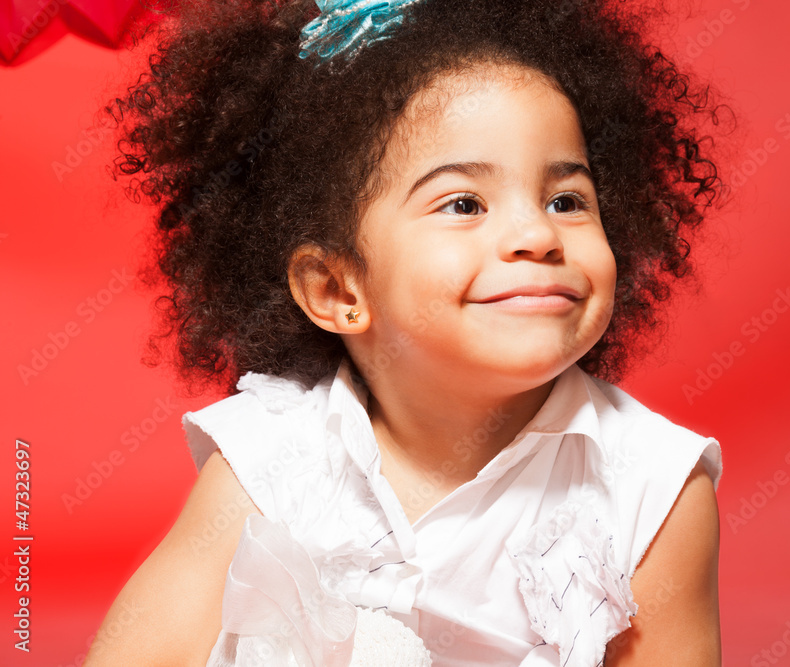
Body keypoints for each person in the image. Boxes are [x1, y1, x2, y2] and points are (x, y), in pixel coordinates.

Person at [87, 0, 733, 664]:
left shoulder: (651, 489)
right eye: (464, 204)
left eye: (565, 200)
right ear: (339, 291)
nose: (538, 235)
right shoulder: (272, 459)